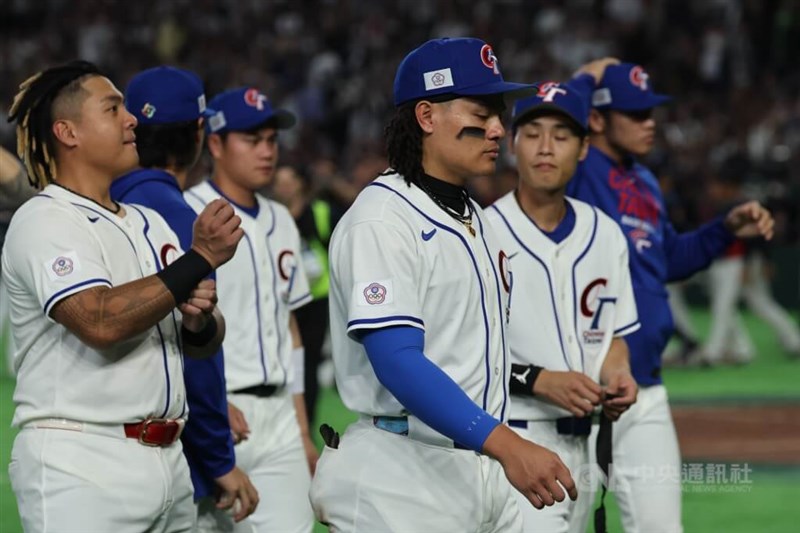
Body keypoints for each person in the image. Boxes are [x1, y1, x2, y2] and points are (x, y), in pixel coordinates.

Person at [309, 37, 577, 532]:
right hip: (402, 469)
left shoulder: (476, 216)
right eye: (482, 111)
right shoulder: (382, 219)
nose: (498, 128)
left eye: (499, 112)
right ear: (427, 117)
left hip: (478, 465)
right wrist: (508, 444)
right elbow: (398, 361)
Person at [2, 60, 243, 532]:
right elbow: (99, 321)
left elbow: (203, 339)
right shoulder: (46, 219)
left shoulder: (146, 223)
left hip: (168, 463)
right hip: (82, 463)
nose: (132, 119)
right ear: (68, 132)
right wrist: (200, 258)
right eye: (113, 109)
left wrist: (199, 322)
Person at [565, 61, 775, 533]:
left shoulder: (644, 180)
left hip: (645, 389)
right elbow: (550, 117)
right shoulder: (577, 168)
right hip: (579, 390)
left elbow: (670, 258)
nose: (649, 121)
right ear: (596, 120)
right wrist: (585, 77)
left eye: (650, 112)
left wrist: (724, 229)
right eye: (634, 113)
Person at [486, 65, 639, 533]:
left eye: (561, 135)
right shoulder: (483, 233)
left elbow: (614, 335)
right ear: (513, 144)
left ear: (585, 147)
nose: (546, 148)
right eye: (532, 133)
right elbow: (458, 354)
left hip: (588, 445)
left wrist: (618, 375)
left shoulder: (606, 233)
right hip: (516, 441)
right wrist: (537, 380)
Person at [109, 66, 258, 524]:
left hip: (87, 444)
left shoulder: (95, 205)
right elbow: (194, 350)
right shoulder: (182, 220)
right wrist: (218, 459)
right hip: (161, 452)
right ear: (199, 132)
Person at [184, 86, 317, 533]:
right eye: (252, 139)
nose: (267, 151)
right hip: (216, 411)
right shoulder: (187, 213)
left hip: (279, 415)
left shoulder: (282, 219)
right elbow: (172, 329)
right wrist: (210, 402)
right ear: (216, 143)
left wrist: (302, 430)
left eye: (271, 140)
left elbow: (290, 329)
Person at [272, 165, 342, 425]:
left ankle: (306, 423)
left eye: (290, 180)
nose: (285, 187)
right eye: (279, 182)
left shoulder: (322, 213)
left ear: (301, 183)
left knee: (309, 363)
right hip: (283, 301)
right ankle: (287, 422)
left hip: (316, 299)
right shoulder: (273, 218)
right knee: (285, 360)